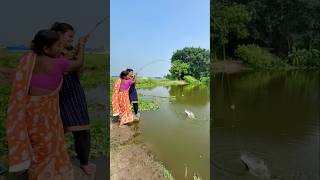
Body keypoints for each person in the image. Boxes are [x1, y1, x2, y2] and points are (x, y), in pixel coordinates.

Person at [6, 29, 87, 180]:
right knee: (50, 145)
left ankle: (36, 172)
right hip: (47, 113)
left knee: (37, 144)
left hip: (30, 111)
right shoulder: (59, 63)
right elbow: (78, 63)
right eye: (57, 47)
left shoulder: (29, 58)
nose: (60, 50)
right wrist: (82, 44)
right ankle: (47, 174)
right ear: (46, 48)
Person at [51, 22, 94, 175]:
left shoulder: (70, 50)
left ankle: (84, 162)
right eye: (69, 36)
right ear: (58, 34)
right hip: (54, 94)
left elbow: (79, 69)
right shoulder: (49, 50)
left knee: (82, 130)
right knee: (55, 131)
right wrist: (80, 46)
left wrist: (78, 51)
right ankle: (51, 160)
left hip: (73, 92)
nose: (71, 39)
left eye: (73, 37)